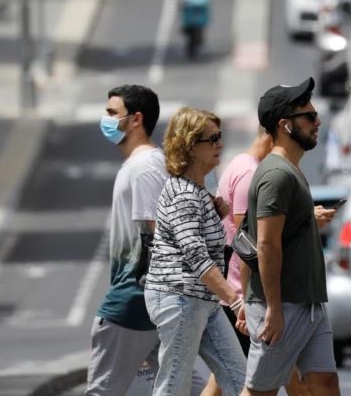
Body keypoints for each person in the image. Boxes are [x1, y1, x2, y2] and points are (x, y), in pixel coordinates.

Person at [241, 77, 340, 396]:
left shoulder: (290, 172)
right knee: (261, 391)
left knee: (324, 384)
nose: (317, 122)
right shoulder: (276, 175)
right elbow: (266, 245)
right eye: (309, 117)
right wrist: (272, 309)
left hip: (308, 303)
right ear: (285, 125)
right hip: (284, 304)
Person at [201, 128, 313, 396]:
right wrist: (251, 302)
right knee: (276, 379)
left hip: (244, 293)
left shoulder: (244, 165)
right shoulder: (250, 174)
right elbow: (249, 241)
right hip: (247, 293)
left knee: (240, 378)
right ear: (272, 135)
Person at [144, 107, 247, 396]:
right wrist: (235, 301)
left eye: (220, 137)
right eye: (212, 139)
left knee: (240, 380)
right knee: (174, 383)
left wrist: (213, 213)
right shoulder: (183, 194)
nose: (220, 145)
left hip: (204, 301)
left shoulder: (197, 192)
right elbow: (197, 258)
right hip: (180, 298)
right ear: (190, 145)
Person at [86, 85, 168, 396]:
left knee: (102, 391)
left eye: (111, 113)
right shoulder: (143, 164)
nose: (105, 120)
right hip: (151, 300)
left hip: (134, 298)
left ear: (135, 120)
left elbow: (156, 232)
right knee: (185, 387)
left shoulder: (144, 168)